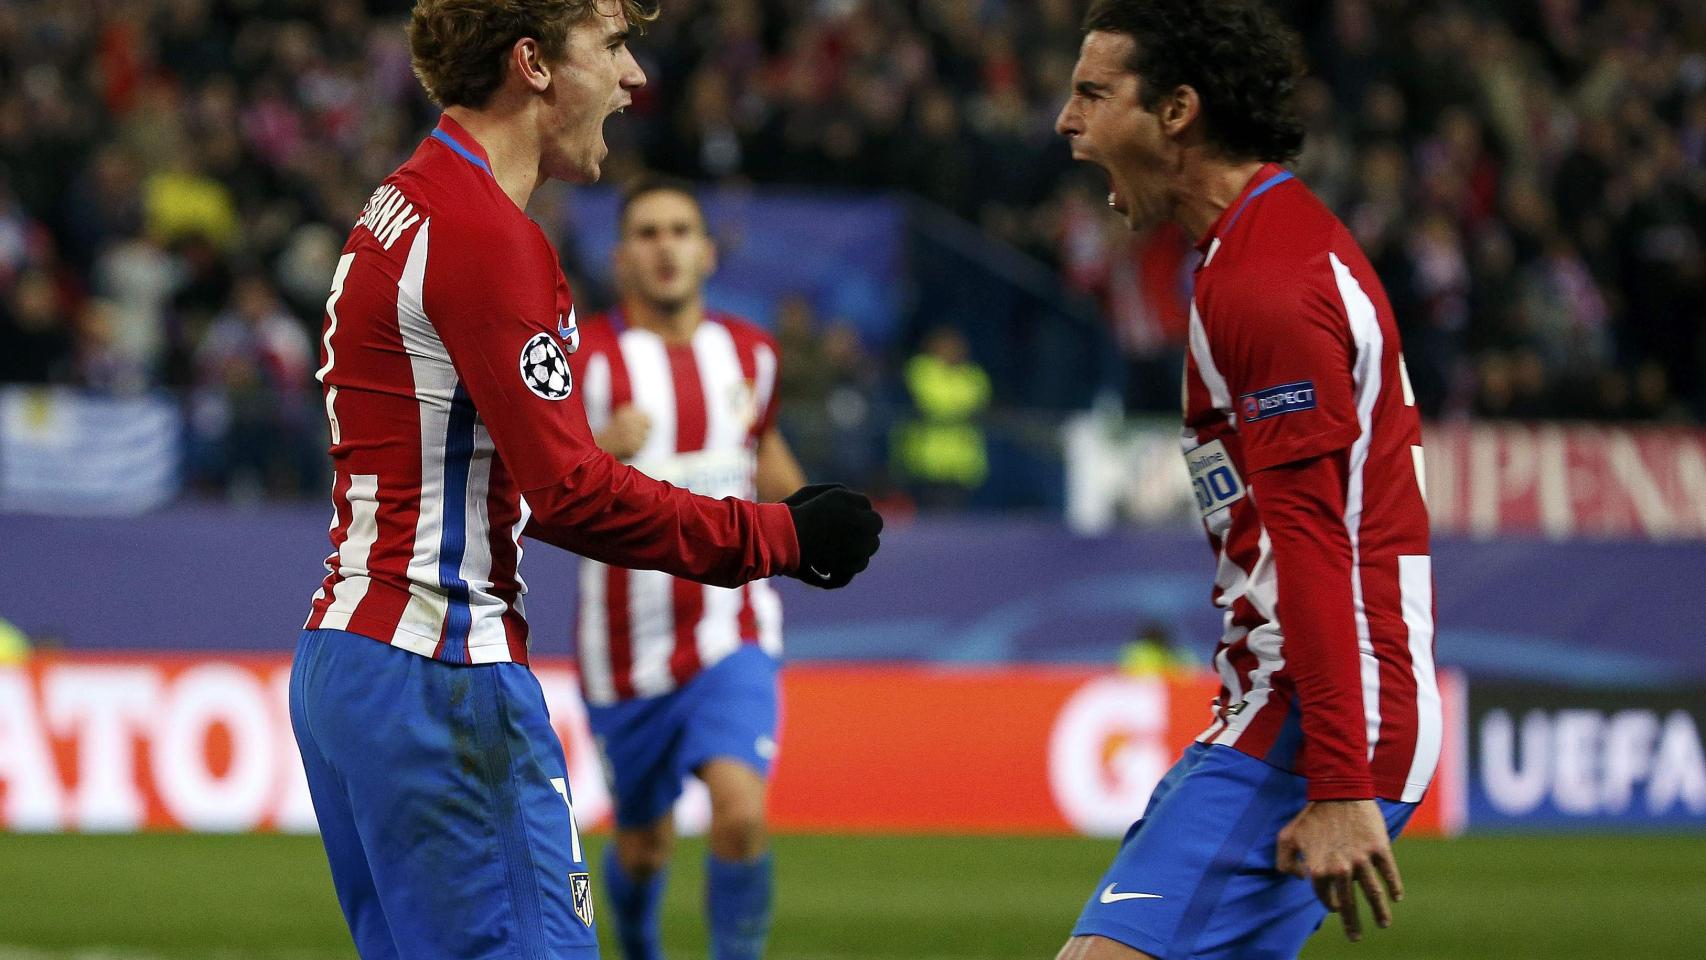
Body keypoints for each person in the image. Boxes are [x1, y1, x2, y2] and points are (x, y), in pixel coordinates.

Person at [289, 4, 882, 958]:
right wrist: (781, 539)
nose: (634, 77)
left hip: (354, 658)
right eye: (610, 48)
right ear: (532, 64)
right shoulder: (483, 233)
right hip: (440, 664)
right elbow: (571, 489)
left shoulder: (402, 206)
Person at [1052, 2, 1438, 959]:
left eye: (1093, 95)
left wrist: (1340, 782)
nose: (1067, 123)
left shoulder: (1267, 284)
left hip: (1313, 724)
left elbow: (1312, 539)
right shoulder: (1252, 252)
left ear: (1177, 111)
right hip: (1297, 708)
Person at [568, 179, 801, 960]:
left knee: (740, 813)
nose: (665, 246)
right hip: (624, 652)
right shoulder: (582, 362)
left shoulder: (752, 355)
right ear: (620, 257)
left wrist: (817, 524)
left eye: (679, 231)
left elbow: (764, 457)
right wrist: (594, 447)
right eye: (646, 232)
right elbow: (541, 486)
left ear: (706, 251)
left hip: (730, 627)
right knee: (644, 848)